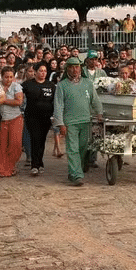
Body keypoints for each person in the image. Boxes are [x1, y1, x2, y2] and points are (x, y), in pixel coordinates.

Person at [53, 57, 103, 186]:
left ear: (81, 68)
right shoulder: (62, 85)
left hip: (85, 121)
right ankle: (76, 175)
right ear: (67, 69)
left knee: (83, 148)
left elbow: (95, 100)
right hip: (70, 122)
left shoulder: (87, 83)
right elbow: (58, 105)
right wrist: (61, 123)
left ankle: (74, 170)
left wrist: (99, 113)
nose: (75, 70)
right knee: (73, 149)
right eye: (71, 67)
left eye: (77, 67)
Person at [23, 62, 56, 175]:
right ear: (35, 72)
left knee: (42, 140)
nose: (43, 73)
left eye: (45, 71)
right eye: (41, 71)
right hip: (32, 117)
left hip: (46, 117)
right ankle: (34, 165)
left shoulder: (51, 85)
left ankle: (40, 162)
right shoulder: (27, 84)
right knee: (35, 139)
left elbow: (54, 101)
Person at [0, 66, 24, 177]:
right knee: (1, 145)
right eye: (6, 77)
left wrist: (2, 100)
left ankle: (11, 165)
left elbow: (18, 101)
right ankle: (2, 168)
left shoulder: (16, 86)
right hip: (1, 119)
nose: (8, 79)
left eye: (11, 77)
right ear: (1, 77)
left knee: (15, 145)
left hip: (15, 118)